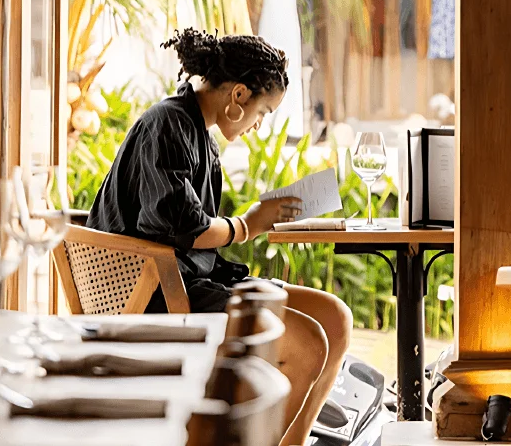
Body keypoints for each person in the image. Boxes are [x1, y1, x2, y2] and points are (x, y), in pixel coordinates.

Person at [87, 28, 351, 445]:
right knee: (307, 344)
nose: (258, 126)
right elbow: (183, 227)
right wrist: (247, 224)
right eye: (262, 113)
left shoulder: (194, 130)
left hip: (193, 280)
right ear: (239, 96)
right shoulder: (168, 124)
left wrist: (258, 219)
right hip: (156, 291)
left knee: (335, 318)